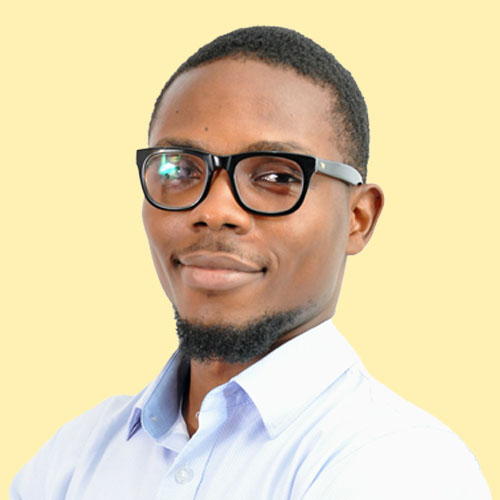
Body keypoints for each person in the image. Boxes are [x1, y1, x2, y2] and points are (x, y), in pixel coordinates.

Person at [11, 26, 492, 499]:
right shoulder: (75, 455)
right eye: (179, 168)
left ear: (358, 218)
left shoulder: (402, 465)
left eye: (277, 176)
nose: (214, 210)